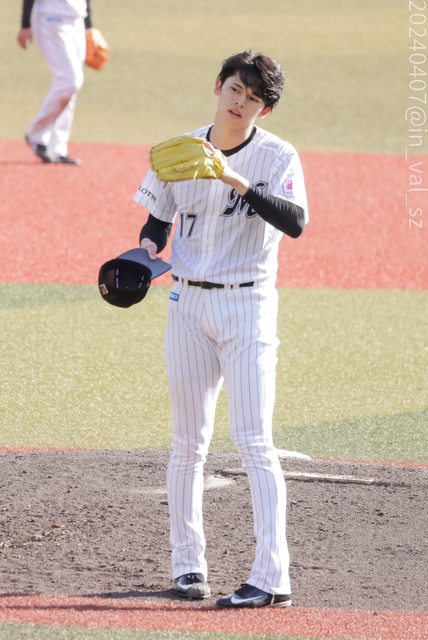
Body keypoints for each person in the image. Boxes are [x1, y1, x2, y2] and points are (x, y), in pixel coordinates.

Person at [133, 50, 309, 608]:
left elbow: (295, 221)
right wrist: (144, 252)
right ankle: (187, 566)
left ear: (265, 109)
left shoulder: (277, 155)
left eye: (253, 98)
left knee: (254, 440)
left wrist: (235, 179)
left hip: (247, 307)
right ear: (218, 86)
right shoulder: (180, 149)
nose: (240, 102)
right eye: (235, 89)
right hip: (186, 304)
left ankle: (272, 578)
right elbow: (157, 220)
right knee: (188, 442)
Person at [17, 0, 93, 165]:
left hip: (77, 19)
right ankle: (36, 135)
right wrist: (25, 24)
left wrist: (89, 27)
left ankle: (57, 147)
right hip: (51, 19)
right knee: (70, 81)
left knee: (69, 87)